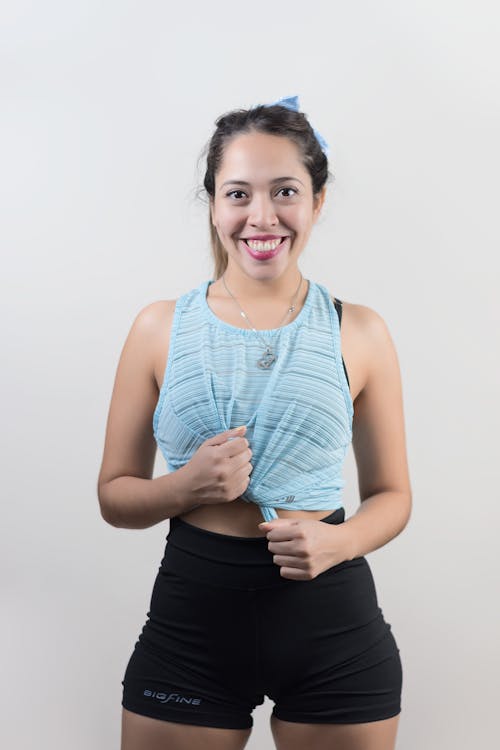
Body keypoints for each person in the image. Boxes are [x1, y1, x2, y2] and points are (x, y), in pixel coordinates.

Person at [97, 95, 412, 750]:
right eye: (238, 193)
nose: (260, 216)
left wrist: (342, 541)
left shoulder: (361, 331)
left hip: (334, 629)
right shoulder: (159, 328)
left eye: (285, 191)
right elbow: (115, 494)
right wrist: (183, 488)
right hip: (190, 628)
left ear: (317, 202)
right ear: (213, 203)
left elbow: (394, 495)